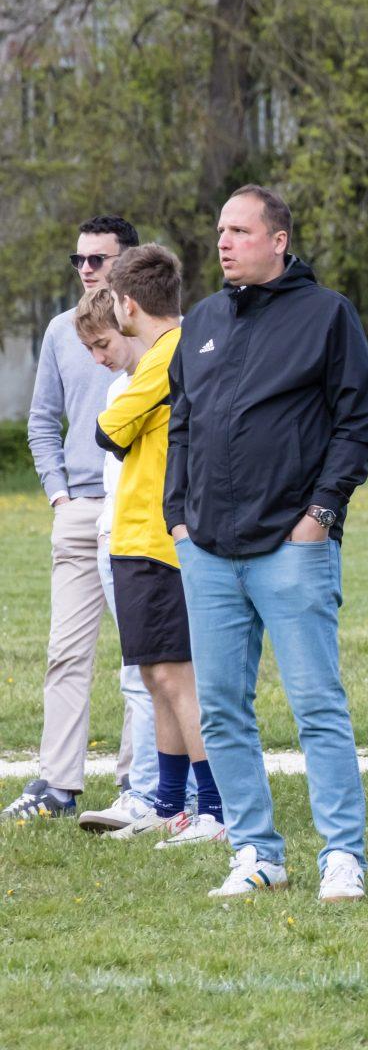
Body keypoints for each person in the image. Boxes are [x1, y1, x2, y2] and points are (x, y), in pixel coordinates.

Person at [166, 185, 368, 901]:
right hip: (207, 550)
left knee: (317, 705)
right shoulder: (203, 319)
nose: (224, 242)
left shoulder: (327, 315)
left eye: (240, 230)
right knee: (221, 709)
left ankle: (342, 855)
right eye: (220, 230)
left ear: (279, 240)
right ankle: (257, 853)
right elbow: (182, 423)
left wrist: (320, 513)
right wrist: (178, 517)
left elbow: (359, 423)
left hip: (292, 545)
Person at [94, 245, 227, 846]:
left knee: (176, 677)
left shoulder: (168, 351)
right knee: (155, 675)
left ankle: (216, 809)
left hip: (158, 539)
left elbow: (108, 430)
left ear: (127, 304)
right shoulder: (170, 351)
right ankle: (169, 803)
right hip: (136, 536)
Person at [6, 215, 135, 822]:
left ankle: (140, 783)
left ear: (126, 261)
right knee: (65, 652)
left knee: (143, 654)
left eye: (97, 259)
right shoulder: (61, 331)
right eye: (78, 259)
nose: (86, 269)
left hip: (136, 509)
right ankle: (57, 785)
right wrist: (59, 497)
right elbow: (41, 421)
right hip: (79, 511)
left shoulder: (157, 331)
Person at [68, 289, 177, 834]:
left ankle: (152, 794)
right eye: (88, 348)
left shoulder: (160, 376)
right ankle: (154, 791)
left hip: (153, 542)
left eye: (103, 344)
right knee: (140, 673)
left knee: (154, 674)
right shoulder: (119, 387)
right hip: (116, 537)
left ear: (128, 321)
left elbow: (111, 437)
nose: (98, 358)